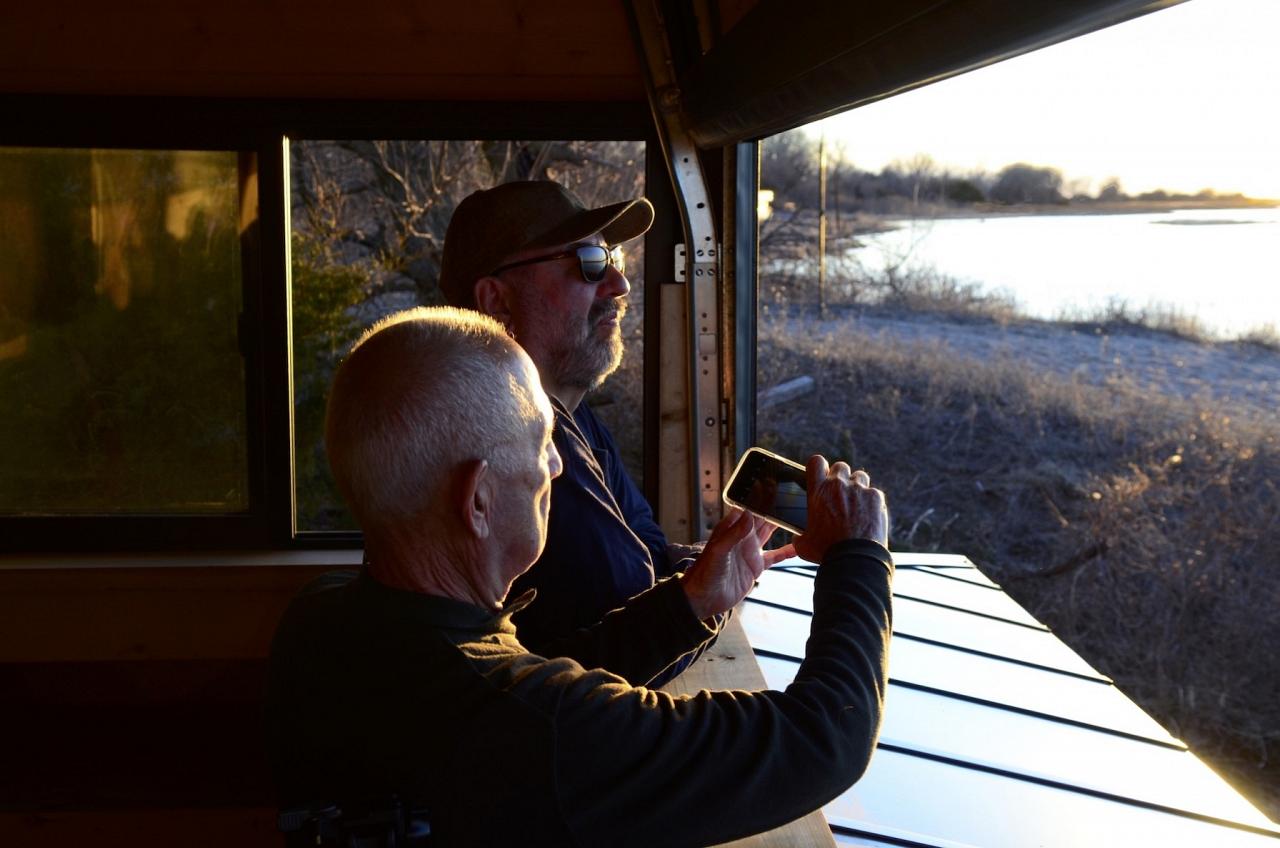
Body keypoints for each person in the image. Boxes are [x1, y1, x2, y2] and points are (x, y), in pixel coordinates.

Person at [266, 306, 894, 847]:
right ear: (477, 500)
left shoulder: (317, 620)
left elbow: (525, 683)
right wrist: (859, 556)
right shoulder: (541, 733)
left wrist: (689, 604)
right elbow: (822, 736)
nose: (559, 466)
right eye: (540, 444)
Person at [438, 180, 699, 650]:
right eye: (589, 264)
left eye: (613, 259)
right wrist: (706, 596)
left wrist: (704, 570)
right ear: (497, 301)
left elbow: (650, 554)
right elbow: (628, 617)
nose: (619, 285)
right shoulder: (503, 447)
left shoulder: (571, 415)